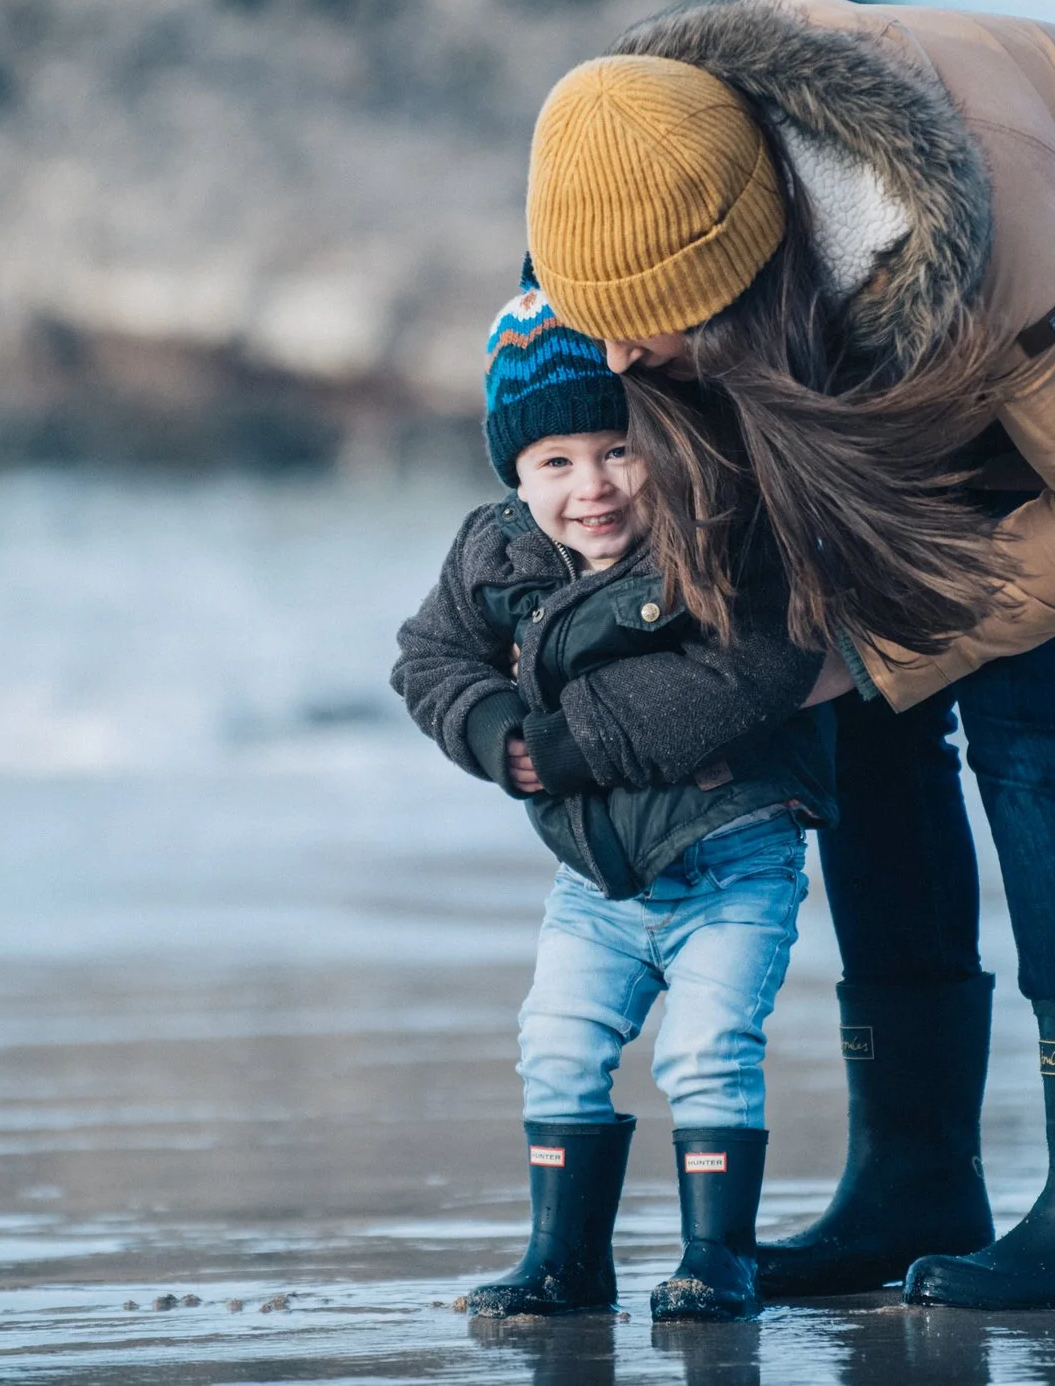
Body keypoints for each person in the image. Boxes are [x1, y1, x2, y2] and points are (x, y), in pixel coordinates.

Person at [520, 0, 1055, 1309]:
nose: (616, 349)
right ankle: (914, 1176)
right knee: (865, 711)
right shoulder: (625, 164)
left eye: (648, 318)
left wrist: (873, 646)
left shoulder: (989, 245)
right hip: (961, 340)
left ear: (746, 262)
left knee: (1029, 702)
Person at [391, 271, 833, 1322]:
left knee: (706, 1050)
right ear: (516, 471)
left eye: (618, 449)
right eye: (556, 461)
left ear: (662, 440)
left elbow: (754, 670)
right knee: (555, 1043)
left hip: (733, 858)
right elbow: (427, 657)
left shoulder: (717, 528)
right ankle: (565, 1260)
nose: (591, 486)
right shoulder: (494, 549)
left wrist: (568, 741)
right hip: (593, 878)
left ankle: (716, 1258)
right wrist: (499, 736)